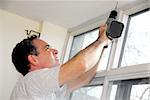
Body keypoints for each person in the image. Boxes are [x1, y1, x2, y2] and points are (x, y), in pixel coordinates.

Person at [10, 24, 111, 100]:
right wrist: (101, 41)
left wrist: (103, 46)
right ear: (33, 59)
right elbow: (82, 64)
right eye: (47, 48)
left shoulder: (46, 85)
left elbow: (84, 78)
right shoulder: (31, 80)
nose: (55, 51)